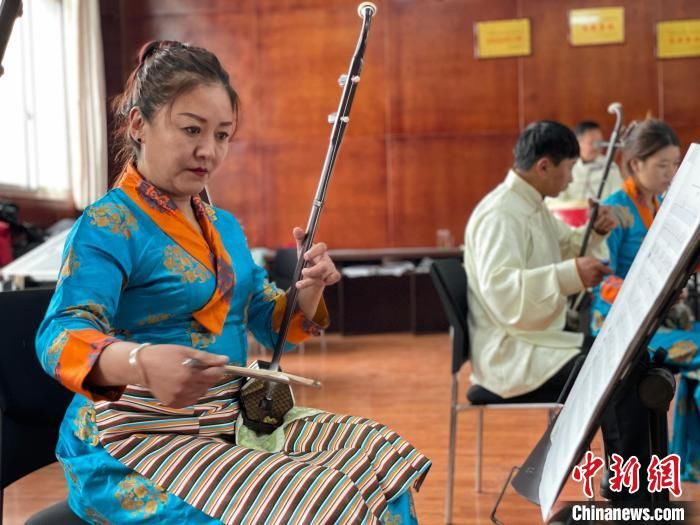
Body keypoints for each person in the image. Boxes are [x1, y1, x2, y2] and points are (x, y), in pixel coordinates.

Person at [36, 40, 430, 524]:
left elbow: (266, 320)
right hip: (133, 437)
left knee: (380, 462)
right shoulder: (108, 224)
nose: (209, 151)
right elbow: (59, 336)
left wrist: (308, 288)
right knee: (319, 504)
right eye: (191, 130)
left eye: (222, 135)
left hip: (227, 419)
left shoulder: (224, 226)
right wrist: (139, 362)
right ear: (139, 124)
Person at [463, 120, 655, 500]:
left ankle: (636, 488)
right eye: (569, 169)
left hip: (535, 339)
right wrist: (569, 275)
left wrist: (595, 232)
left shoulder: (529, 203)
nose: (570, 181)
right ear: (545, 166)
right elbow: (502, 292)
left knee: (637, 358)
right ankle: (628, 495)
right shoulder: (502, 214)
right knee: (620, 372)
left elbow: (565, 246)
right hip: (511, 353)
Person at [591, 118, 700, 483]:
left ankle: (687, 459)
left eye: (675, 164)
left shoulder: (660, 204)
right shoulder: (614, 210)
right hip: (621, 323)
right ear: (635, 163)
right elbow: (602, 277)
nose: (671, 173)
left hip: (654, 316)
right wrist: (651, 292)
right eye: (662, 165)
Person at [546, 121, 624, 227]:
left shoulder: (610, 167)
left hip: (602, 220)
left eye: (600, 143)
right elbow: (555, 200)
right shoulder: (566, 166)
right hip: (569, 221)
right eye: (592, 143)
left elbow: (618, 197)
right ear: (578, 142)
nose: (597, 147)